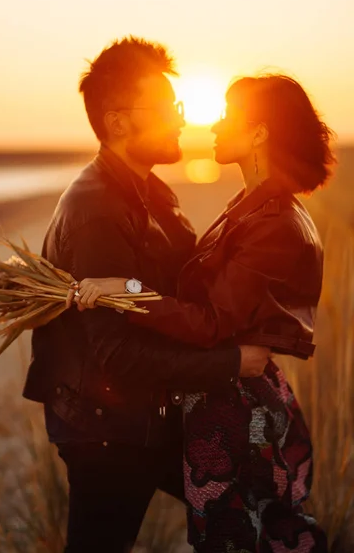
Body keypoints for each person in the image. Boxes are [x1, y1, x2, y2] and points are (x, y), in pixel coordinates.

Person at [22, 37, 270, 553]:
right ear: (117, 123)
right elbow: (115, 355)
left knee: (255, 513)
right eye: (164, 109)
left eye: (177, 105)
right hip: (106, 430)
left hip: (148, 415)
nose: (180, 119)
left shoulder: (152, 192)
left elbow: (159, 292)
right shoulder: (96, 212)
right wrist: (230, 362)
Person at [70, 74, 336, 552]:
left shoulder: (274, 220)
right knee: (251, 530)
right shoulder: (250, 205)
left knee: (236, 537)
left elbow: (209, 321)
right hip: (222, 397)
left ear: (258, 132)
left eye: (228, 114)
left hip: (237, 406)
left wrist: (127, 289)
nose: (212, 123)